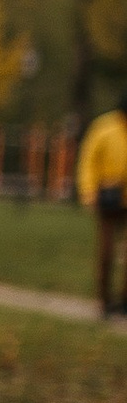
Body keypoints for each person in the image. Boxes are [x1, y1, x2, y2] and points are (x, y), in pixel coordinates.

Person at [78, 102, 127, 317]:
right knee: (106, 251)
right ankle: (103, 299)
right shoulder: (104, 127)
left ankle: (124, 300)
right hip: (108, 197)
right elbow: (88, 161)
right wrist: (89, 192)